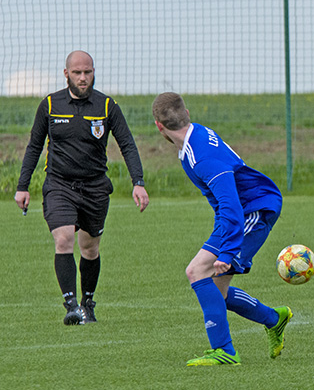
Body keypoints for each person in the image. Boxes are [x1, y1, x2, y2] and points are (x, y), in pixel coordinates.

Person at [152, 92, 291, 366]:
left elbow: (232, 206)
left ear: (159, 126)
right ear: (187, 113)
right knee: (218, 291)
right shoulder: (194, 138)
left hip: (254, 209)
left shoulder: (201, 157)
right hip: (243, 209)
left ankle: (225, 351)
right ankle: (274, 319)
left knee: (196, 271)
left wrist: (226, 252)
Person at [14, 51, 149, 325]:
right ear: (66, 74)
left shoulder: (107, 106)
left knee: (89, 248)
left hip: (96, 187)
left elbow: (127, 145)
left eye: (87, 72)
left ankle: (88, 301)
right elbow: (34, 147)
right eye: (77, 73)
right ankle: (71, 305)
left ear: (94, 71)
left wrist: (138, 182)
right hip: (59, 184)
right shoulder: (50, 105)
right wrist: (22, 186)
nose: (83, 77)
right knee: (63, 239)